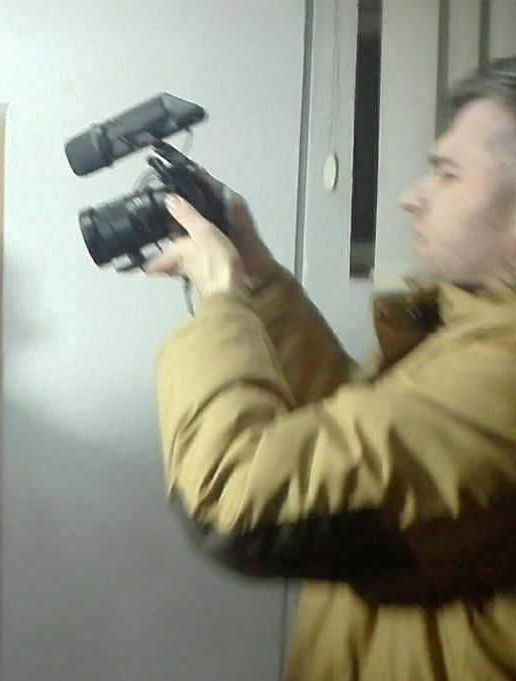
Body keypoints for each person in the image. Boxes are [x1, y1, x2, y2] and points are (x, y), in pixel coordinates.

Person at [145, 58, 516, 678]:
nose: (413, 197)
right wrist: (259, 283)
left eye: (448, 174)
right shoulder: (474, 331)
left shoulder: (503, 373)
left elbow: (237, 502)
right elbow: (353, 449)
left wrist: (222, 301)